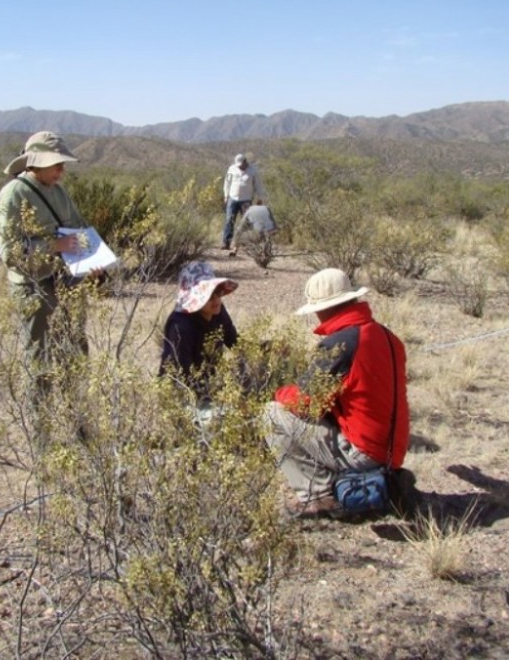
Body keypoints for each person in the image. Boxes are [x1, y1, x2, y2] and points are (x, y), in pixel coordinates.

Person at [264, 268, 410, 519]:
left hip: (364, 453)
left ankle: (317, 496)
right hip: (392, 453)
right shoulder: (386, 335)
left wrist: (280, 392)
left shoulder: (342, 342)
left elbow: (306, 403)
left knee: (272, 413)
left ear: (325, 308)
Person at [0, 131, 95, 365]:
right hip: (34, 288)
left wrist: (94, 261)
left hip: (67, 282)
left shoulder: (59, 192)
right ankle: (39, 403)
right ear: (37, 162)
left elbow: (79, 228)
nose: (61, 171)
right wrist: (53, 246)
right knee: (41, 359)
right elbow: (10, 253)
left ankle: (73, 402)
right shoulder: (13, 196)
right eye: (56, 165)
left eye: (62, 165)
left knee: (75, 352)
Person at [159, 261, 239, 407]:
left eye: (218, 292)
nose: (216, 300)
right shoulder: (180, 326)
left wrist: (270, 348)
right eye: (208, 295)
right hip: (182, 396)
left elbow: (236, 344)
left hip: (208, 386)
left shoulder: (218, 312)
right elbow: (181, 377)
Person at [222, 153, 267, 250]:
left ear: (245, 162)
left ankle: (245, 243)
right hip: (232, 198)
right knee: (229, 220)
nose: (240, 167)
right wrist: (226, 196)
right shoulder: (232, 169)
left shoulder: (253, 170)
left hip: (246, 200)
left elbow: (258, 185)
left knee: (246, 222)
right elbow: (227, 183)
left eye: (241, 164)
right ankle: (226, 242)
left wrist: (260, 198)